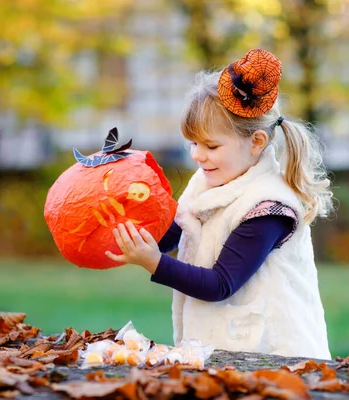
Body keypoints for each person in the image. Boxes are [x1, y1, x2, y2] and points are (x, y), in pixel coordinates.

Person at [106, 49, 334, 359]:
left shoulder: (269, 207)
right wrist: (130, 228)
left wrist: (153, 263)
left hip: (278, 358)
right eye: (193, 143)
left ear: (256, 143)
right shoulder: (206, 182)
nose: (197, 155)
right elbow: (172, 234)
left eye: (210, 145)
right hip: (225, 354)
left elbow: (220, 283)